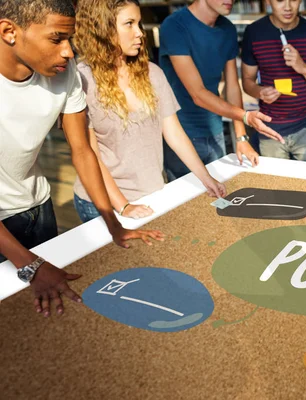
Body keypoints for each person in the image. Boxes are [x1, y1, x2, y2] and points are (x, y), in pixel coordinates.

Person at [0, 0, 162, 317]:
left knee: (49, 311)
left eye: (70, 39)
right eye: (56, 38)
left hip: (39, 207)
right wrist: (29, 264)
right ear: (9, 32)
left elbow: (83, 151)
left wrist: (114, 223)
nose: (69, 52)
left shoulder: (65, 72)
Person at [72, 0, 226, 222]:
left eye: (139, 24)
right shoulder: (81, 81)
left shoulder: (152, 73)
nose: (139, 33)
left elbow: (174, 133)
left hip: (152, 195)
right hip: (100, 203)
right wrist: (123, 206)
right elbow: (89, 155)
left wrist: (206, 178)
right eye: (129, 24)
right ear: (102, 28)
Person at [159, 0, 284, 180]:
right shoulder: (174, 26)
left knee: (219, 198)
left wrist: (241, 138)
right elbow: (198, 94)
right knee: (188, 204)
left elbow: (232, 86)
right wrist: (245, 116)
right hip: (181, 134)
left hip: (215, 131)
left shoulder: (227, 29)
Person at [241, 0, 306, 162]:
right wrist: (260, 92)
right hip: (269, 128)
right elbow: (247, 81)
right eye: (280, 0)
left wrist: (303, 67)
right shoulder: (254, 32)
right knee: (276, 185)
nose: (288, 7)